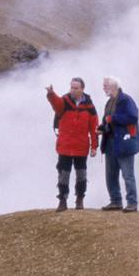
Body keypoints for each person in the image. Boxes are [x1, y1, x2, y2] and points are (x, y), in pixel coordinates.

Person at [46, 78, 98, 209]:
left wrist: (94, 147)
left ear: (82, 89)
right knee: (63, 175)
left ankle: (80, 199)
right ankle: (62, 200)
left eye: (76, 88)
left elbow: (94, 128)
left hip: (81, 147)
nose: (73, 90)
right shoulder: (64, 101)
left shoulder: (89, 105)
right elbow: (56, 104)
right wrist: (51, 94)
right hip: (65, 147)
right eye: (71, 87)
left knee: (81, 175)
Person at [98, 76, 139, 212]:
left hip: (124, 143)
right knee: (111, 174)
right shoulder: (110, 102)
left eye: (105, 85)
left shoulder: (126, 100)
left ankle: (132, 203)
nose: (103, 88)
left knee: (127, 174)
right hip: (111, 141)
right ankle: (115, 201)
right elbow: (107, 121)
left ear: (113, 86)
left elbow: (133, 117)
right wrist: (101, 128)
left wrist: (114, 118)